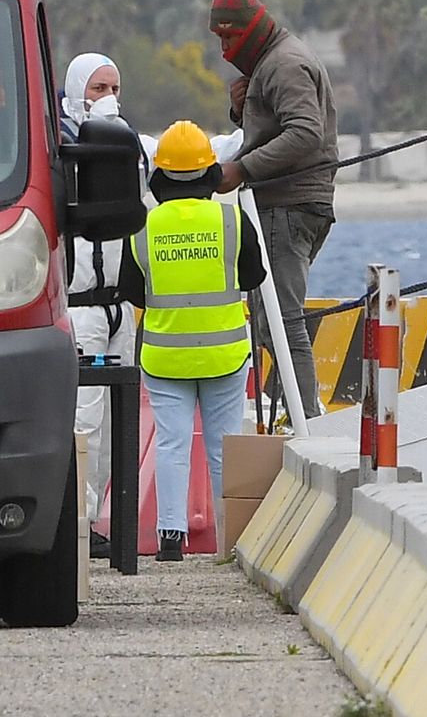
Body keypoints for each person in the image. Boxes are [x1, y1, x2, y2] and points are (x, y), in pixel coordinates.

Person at [117, 120, 265, 562]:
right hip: (225, 352)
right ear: (210, 174)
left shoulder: (142, 225)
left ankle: (169, 540)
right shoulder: (232, 218)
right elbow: (254, 276)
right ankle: (228, 540)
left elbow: (130, 289)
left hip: (165, 356)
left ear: (159, 176)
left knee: (172, 444)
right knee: (223, 445)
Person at [209, 0, 338, 425]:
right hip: (293, 203)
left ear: (250, 30)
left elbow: (305, 132)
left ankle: (307, 420)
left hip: (289, 204)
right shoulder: (272, 62)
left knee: (282, 320)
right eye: (219, 39)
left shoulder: (283, 63)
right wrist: (240, 110)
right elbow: (278, 127)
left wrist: (241, 170)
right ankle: (297, 414)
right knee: (269, 320)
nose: (225, 48)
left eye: (229, 37)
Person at [58, 52, 153, 558]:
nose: (108, 97)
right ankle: (75, 521)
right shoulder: (62, 147)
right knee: (83, 419)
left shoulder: (130, 145)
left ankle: (95, 522)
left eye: (114, 86)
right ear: (76, 90)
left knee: (116, 431)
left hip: (120, 307)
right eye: (98, 88)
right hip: (80, 306)